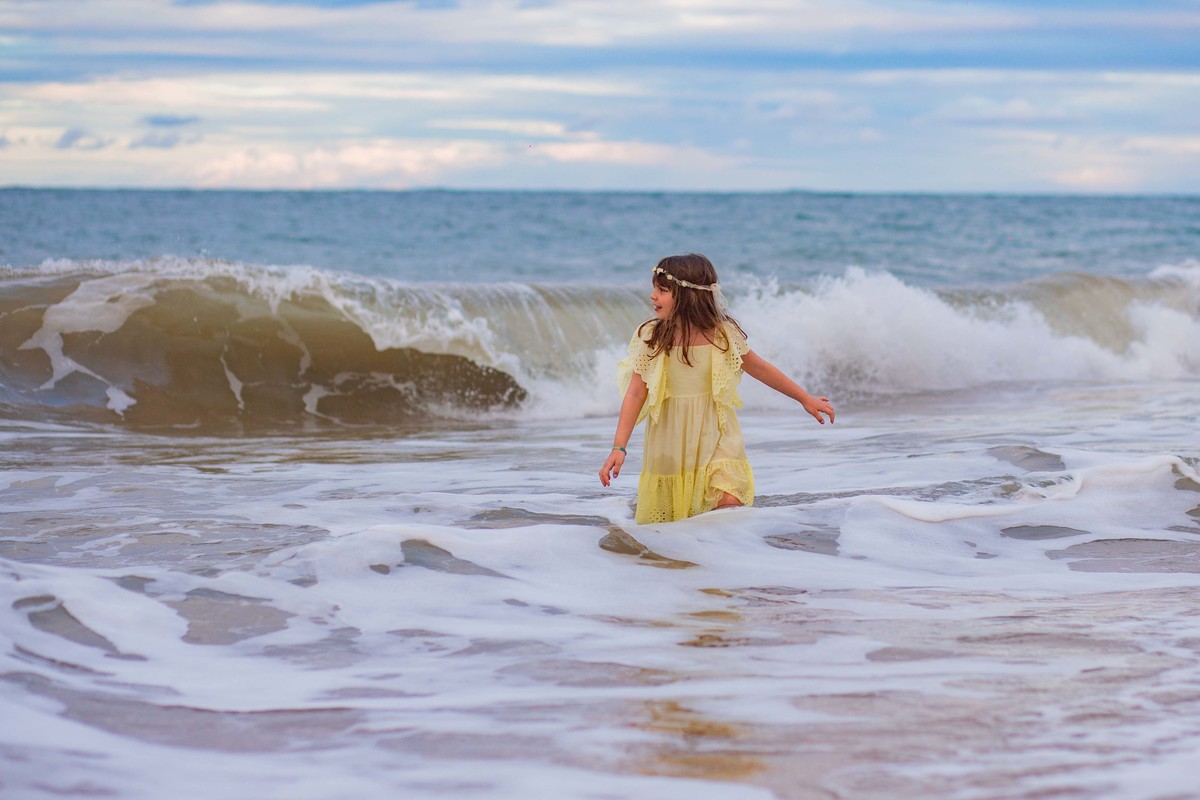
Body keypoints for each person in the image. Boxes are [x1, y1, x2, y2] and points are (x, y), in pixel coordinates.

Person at [598, 253, 834, 524]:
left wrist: (804, 398)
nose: (652, 296)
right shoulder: (650, 336)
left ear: (689, 296)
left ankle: (724, 559)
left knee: (728, 503)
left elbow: (759, 367)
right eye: (654, 288)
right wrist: (619, 447)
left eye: (662, 290)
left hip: (717, 434)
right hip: (670, 443)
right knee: (673, 526)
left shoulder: (723, 334)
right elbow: (636, 393)